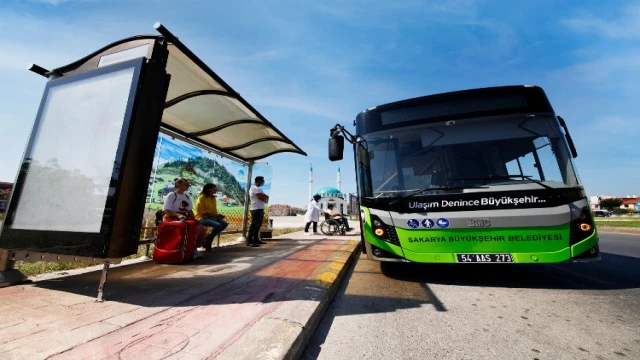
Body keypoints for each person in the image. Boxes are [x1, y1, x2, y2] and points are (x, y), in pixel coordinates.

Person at [162, 177, 203, 259]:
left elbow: (190, 210)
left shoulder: (187, 197)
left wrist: (194, 219)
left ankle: (193, 248)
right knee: (186, 228)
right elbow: (166, 210)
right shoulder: (171, 195)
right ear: (178, 184)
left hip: (184, 217)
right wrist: (178, 215)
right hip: (171, 217)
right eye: (186, 185)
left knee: (201, 228)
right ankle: (182, 250)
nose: (188, 186)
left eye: (188, 185)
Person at [194, 183, 229, 252]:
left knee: (224, 224)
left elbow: (214, 211)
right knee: (218, 225)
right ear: (209, 189)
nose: (215, 190)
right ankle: (208, 240)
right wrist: (213, 216)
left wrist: (218, 216)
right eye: (214, 188)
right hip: (201, 217)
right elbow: (200, 212)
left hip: (210, 217)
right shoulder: (202, 197)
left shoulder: (213, 198)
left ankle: (208, 239)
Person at [248, 176, 269, 247]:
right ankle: (249, 241)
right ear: (259, 181)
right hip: (255, 209)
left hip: (260, 208)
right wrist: (264, 197)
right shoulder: (254, 188)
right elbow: (261, 197)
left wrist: (264, 197)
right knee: (254, 225)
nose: (263, 182)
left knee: (258, 225)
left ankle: (256, 239)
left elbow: (266, 197)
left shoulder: (260, 189)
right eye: (262, 180)